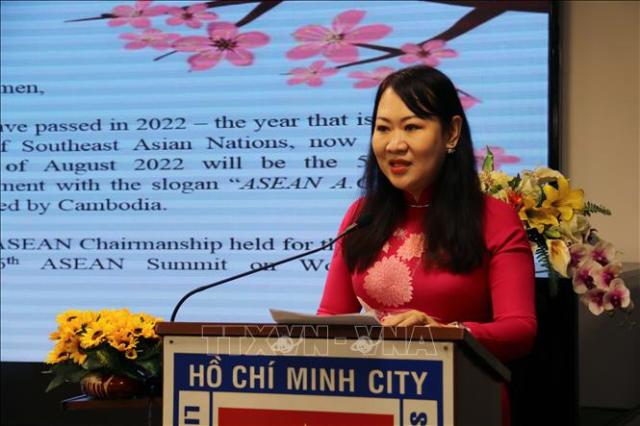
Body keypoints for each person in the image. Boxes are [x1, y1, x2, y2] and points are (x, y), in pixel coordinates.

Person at [317, 65, 536, 425]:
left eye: (412, 127)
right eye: (383, 128)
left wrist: (445, 335)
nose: (394, 144)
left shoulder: (495, 219)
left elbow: (520, 330)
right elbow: (330, 318)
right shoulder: (361, 215)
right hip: (369, 402)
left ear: (451, 132)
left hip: (461, 400)